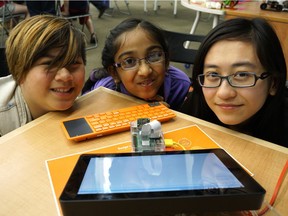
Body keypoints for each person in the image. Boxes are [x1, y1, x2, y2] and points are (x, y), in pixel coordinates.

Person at [181, 18, 288, 147]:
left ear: (273, 83)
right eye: (213, 74)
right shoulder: (195, 107)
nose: (224, 93)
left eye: (242, 75)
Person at [0, 15, 86, 136]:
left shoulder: (85, 104)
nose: (65, 76)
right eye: (49, 64)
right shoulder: (3, 122)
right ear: (19, 71)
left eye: (73, 63)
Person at [82, 18, 191, 111]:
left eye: (154, 56)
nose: (145, 71)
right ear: (115, 73)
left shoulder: (179, 85)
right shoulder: (104, 92)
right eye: (129, 61)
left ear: (166, 60)